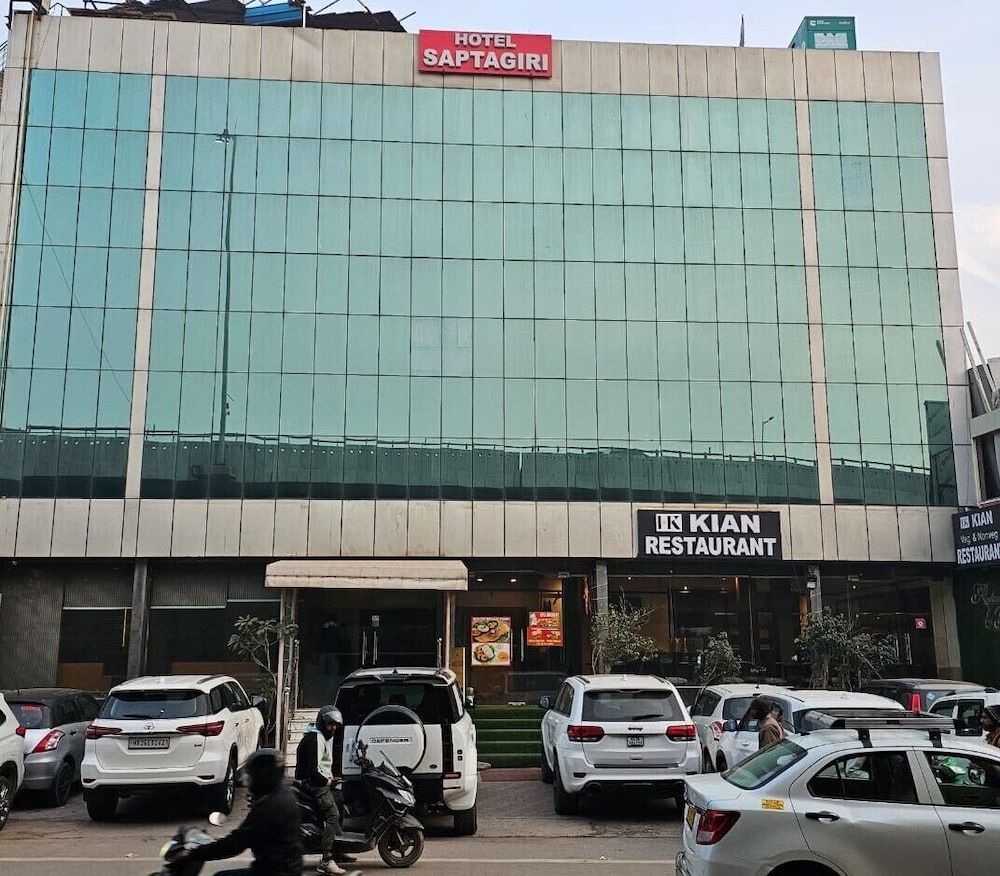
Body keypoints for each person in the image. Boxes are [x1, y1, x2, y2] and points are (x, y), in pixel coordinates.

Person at [177, 748, 302, 876]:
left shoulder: (269, 808)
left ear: (263, 776)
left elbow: (236, 844)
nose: (247, 782)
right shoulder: (282, 794)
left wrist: (194, 853)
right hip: (285, 869)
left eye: (251, 776)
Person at [296, 705, 351, 875]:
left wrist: (332, 779)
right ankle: (326, 860)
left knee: (339, 799)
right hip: (313, 784)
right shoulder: (315, 739)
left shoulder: (322, 737)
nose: (333, 728)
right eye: (330, 724)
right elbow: (313, 771)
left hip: (319, 782)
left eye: (335, 725)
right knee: (333, 814)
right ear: (322, 723)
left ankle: (338, 848)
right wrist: (328, 781)